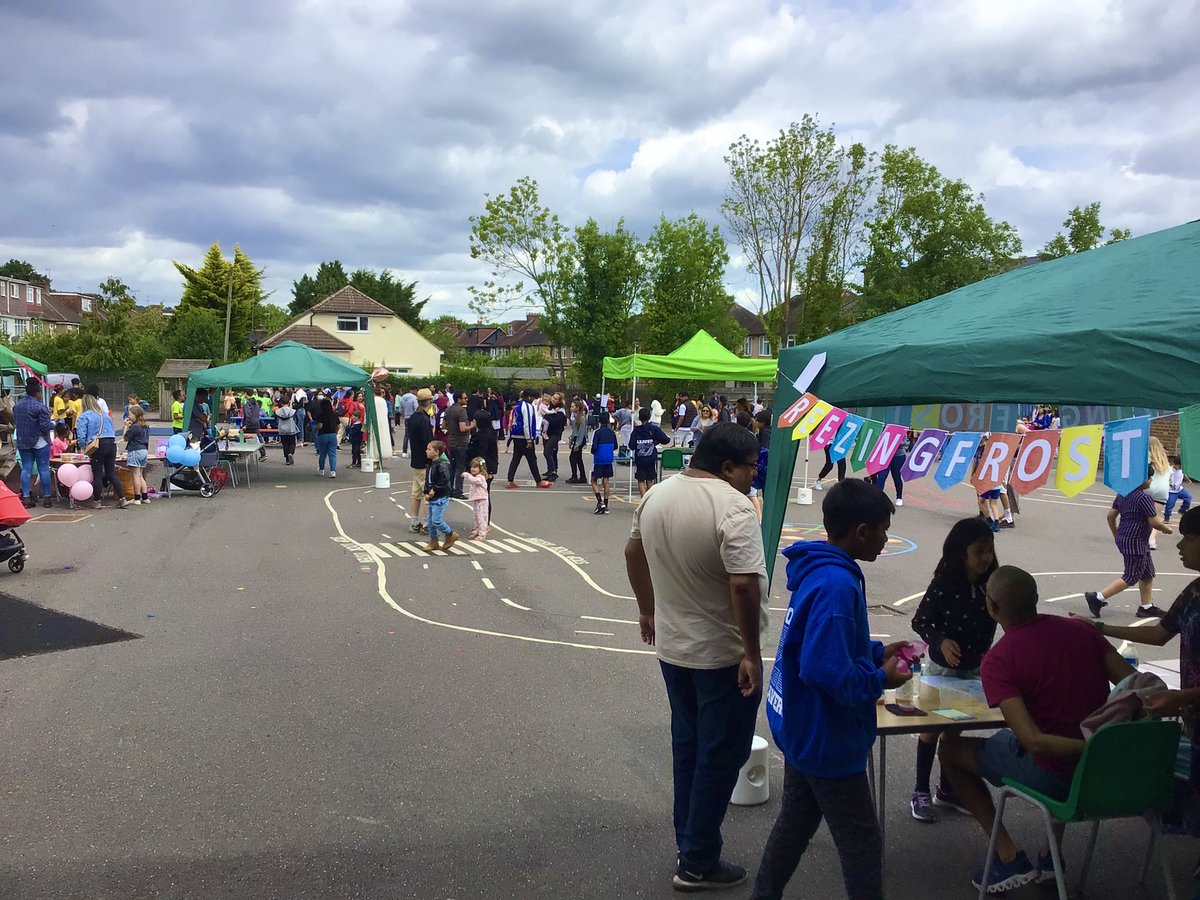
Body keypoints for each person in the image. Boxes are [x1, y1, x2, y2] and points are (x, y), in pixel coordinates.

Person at [624, 422, 768, 893]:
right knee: (719, 755)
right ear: (728, 467)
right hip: (722, 653)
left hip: (675, 647)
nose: (753, 475)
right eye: (750, 467)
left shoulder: (657, 496)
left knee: (687, 747)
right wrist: (752, 653)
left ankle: (690, 843)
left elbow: (633, 552)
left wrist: (647, 608)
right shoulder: (733, 506)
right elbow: (744, 584)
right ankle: (699, 859)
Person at [751, 479, 906, 900]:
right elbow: (823, 668)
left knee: (794, 825)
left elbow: (825, 644)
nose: (884, 539)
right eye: (882, 530)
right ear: (860, 532)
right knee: (861, 842)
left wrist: (874, 653)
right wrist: (880, 679)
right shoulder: (837, 586)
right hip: (827, 737)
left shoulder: (821, 573)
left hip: (806, 728)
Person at [938, 567, 1135, 892]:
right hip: (1104, 773)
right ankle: (1049, 855)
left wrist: (1091, 749)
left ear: (992, 607)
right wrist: (1100, 746)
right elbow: (1132, 686)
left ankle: (1008, 856)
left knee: (950, 749)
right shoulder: (1082, 631)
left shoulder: (999, 659)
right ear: (1035, 599)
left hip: (1061, 770)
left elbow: (1034, 741)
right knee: (1026, 739)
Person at [1072, 507, 1200, 836]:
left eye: (1189, 538)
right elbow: (1160, 634)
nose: (1180, 546)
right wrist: (1101, 628)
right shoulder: (1194, 592)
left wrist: (1185, 696)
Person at [907, 517, 999, 822]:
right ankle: (920, 790)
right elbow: (920, 621)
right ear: (962, 553)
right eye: (979, 551)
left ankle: (947, 789)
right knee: (931, 729)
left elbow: (1008, 616)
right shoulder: (946, 582)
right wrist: (941, 640)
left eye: (989, 550)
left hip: (975, 669)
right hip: (941, 669)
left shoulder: (993, 582)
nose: (985, 558)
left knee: (955, 730)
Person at [1085, 468, 1173, 619]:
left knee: (1147, 572)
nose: (1151, 481)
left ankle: (1146, 606)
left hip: (1128, 538)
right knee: (1131, 576)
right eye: (1149, 478)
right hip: (1136, 541)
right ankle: (1098, 597)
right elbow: (1154, 521)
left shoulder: (1123, 494)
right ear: (1141, 480)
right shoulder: (1144, 499)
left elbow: (1111, 516)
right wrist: (1166, 528)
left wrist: (1116, 534)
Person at [77, 392, 128, 509]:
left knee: (98, 474)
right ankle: (122, 498)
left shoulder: (85, 416)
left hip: (98, 444)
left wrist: (85, 447)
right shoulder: (105, 415)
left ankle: (97, 500)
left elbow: (81, 435)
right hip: (111, 443)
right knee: (111, 473)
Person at [13, 376, 54, 509]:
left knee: (26, 469)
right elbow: (45, 426)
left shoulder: (17, 406)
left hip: (23, 441)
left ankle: (26, 497)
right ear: (37, 393)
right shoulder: (40, 407)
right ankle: (47, 498)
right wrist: (54, 423)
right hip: (40, 442)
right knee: (43, 469)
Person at [506, 389, 550, 489]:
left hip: (516, 435)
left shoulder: (517, 405)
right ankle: (538, 481)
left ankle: (510, 480)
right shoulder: (527, 406)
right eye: (534, 398)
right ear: (529, 397)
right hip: (524, 437)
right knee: (532, 459)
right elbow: (527, 424)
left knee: (516, 458)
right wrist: (529, 439)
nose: (534, 401)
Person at [406, 389, 435, 533]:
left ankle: (414, 521)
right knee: (427, 493)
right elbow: (428, 443)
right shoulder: (424, 419)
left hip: (415, 459)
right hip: (424, 461)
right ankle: (425, 523)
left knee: (416, 493)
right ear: (429, 402)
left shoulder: (412, 418)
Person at [422, 440, 459, 553]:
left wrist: (434, 489)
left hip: (440, 497)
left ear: (437, 452)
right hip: (433, 497)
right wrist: (426, 492)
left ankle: (450, 534)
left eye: (429, 449)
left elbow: (444, 480)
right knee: (430, 521)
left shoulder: (442, 465)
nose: (426, 451)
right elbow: (428, 480)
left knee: (436, 520)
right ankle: (434, 541)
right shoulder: (430, 465)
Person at [629, 407, 670, 496]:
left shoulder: (636, 431)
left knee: (641, 480)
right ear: (649, 417)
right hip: (651, 459)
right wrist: (655, 441)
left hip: (640, 459)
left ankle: (643, 500)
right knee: (650, 481)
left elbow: (631, 446)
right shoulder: (654, 429)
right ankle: (649, 500)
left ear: (639, 418)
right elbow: (666, 440)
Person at [443, 391, 473, 497]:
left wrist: (452, 429)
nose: (466, 399)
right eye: (465, 398)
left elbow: (444, 425)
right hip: (461, 442)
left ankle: (449, 489)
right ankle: (458, 491)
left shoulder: (448, 410)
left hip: (451, 441)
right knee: (460, 467)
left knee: (452, 466)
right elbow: (463, 428)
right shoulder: (461, 411)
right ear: (459, 399)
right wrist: (472, 426)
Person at [590, 411, 619, 515]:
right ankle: (606, 504)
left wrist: (593, 451)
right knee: (606, 481)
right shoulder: (612, 432)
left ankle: (599, 501)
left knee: (594, 480)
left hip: (599, 459)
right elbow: (615, 446)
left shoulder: (597, 432)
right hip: (608, 458)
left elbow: (594, 447)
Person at [123, 404, 151, 504]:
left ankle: (137, 498)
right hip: (144, 450)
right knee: (140, 475)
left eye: (130, 414)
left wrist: (125, 427)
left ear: (135, 415)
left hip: (135, 450)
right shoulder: (145, 426)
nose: (129, 416)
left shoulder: (135, 427)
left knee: (135, 475)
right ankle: (145, 496)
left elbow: (125, 438)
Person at [749, 411, 771, 521]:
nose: (755, 422)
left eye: (757, 421)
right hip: (762, 467)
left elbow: (764, 450)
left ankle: (764, 518)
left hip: (764, 467)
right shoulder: (761, 432)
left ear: (763, 422)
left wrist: (758, 466)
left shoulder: (765, 433)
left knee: (763, 492)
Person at [462, 457, 491, 540]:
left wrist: (467, 475)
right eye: (471, 467)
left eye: (475, 467)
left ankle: (482, 533)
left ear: (480, 468)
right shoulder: (476, 476)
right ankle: (478, 530)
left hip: (482, 500)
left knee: (481, 516)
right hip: (477, 499)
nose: (472, 469)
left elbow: (475, 481)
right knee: (476, 516)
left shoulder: (480, 477)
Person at [313, 394, 339, 478]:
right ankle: (333, 471)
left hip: (323, 435)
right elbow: (338, 425)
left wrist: (316, 429)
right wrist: (336, 432)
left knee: (322, 453)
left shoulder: (321, 415)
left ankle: (321, 469)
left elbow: (320, 426)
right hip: (332, 434)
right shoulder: (334, 414)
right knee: (332, 454)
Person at [542, 397, 567, 482]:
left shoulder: (561, 411)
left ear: (559, 401)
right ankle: (550, 470)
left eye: (556, 399)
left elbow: (556, 422)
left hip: (555, 434)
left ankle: (553, 471)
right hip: (547, 433)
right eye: (553, 398)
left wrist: (546, 416)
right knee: (549, 452)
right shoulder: (550, 408)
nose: (553, 400)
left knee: (547, 451)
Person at [566, 400, 590, 484]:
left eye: (573, 406)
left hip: (580, 439)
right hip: (576, 438)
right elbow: (574, 431)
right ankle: (582, 476)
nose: (571, 408)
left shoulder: (582, 417)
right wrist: (571, 440)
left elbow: (581, 432)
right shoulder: (575, 416)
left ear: (577, 408)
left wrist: (577, 444)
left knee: (572, 457)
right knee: (578, 458)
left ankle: (574, 476)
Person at [1167, 455, 1193, 523]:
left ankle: (1183, 509)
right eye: (1179, 466)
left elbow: (1184, 474)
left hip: (1179, 489)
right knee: (1170, 504)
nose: (1180, 468)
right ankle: (1167, 517)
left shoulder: (1181, 470)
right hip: (1172, 491)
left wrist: (1188, 480)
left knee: (1188, 497)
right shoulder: (1170, 470)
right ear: (1175, 464)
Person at [242, 392, 267, 461]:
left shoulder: (247, 404)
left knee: (244, 437)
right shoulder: (256, 403)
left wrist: (245, 425)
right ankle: (263, 453)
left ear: (245, 394)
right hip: (256, 422)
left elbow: (247, 415)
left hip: (249, 424)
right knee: (259, 438)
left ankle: (245, 454)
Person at [275, 396, 299, 465]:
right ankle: (291, 453)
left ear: (281, 403)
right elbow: (296, 420)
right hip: (291, 429)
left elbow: (276, 421)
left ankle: (287, 460)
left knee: (285, 444)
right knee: (292, 443)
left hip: (282, 430)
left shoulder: (277, 412)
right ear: (289, 402)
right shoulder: (292, 411)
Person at [346, 389, 366, 469]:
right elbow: (350, 412)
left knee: (356, 449)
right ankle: (358, 462)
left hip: (360, 424)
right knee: (356, 449)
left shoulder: (364, 404)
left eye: (361, 396)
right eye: (359, 396)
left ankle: (356, 462)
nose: (360, 398)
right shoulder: (354, 404)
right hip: (358, 423)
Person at [397, 386, 418, 457]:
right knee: (414, 436)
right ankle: (414, 451)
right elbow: (416, 408)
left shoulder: (402, 397)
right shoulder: (414, 398)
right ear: (415, 390)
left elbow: (400, 409)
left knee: (406, 435)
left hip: (406, 417)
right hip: (413, 417)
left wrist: (404, 414)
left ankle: (404, 451)